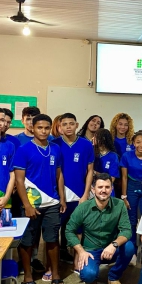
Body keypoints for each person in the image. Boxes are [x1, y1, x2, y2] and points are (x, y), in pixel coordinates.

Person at [14, 114, 67, 284]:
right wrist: (27, 205)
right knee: (28, 241)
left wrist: (62, 198)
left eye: (46, 128)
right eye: (39, 128)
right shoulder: (23, 150)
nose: (43, 131)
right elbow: (19, 181)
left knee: (52, 239)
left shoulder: (56, 149)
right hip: (31, 203)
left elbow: (59, 175)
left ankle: (55, 274)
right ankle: (28, 276)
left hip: (52, 203)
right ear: (32, 128)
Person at [66, 173, 134, 284]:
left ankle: (113, 277)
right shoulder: (83, 208)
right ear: (93, 189)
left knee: (129, 247)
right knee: (89, 276)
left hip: (111, 249)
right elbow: (69, 230)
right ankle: (92, 275)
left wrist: (114, 245)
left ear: (111, 189)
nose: (104, 190)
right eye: (100, 187)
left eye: (107, 187)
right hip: (90, 251)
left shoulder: (119, 205)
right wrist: (81, 251)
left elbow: (126, 230)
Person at [51, 113, 94, 265]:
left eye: (71, 123)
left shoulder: (86, 144)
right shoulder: (54, 144)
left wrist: (85, 194)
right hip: (59, 194)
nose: (68, 127)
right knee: (56, 228)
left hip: (79, 194)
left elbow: (90, 171)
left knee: (78, 228)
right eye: (64, 124)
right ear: (60, 127)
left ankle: (79, 260)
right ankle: (55, 260)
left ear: (76, 125)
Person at [120, 130, 142, 265]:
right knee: (132, 221)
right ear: (133, 143)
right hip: (130, 189)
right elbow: (123, 177)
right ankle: (132, 252)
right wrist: (124, 196)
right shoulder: (126, 156)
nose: (141, 145)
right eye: (138, 142)